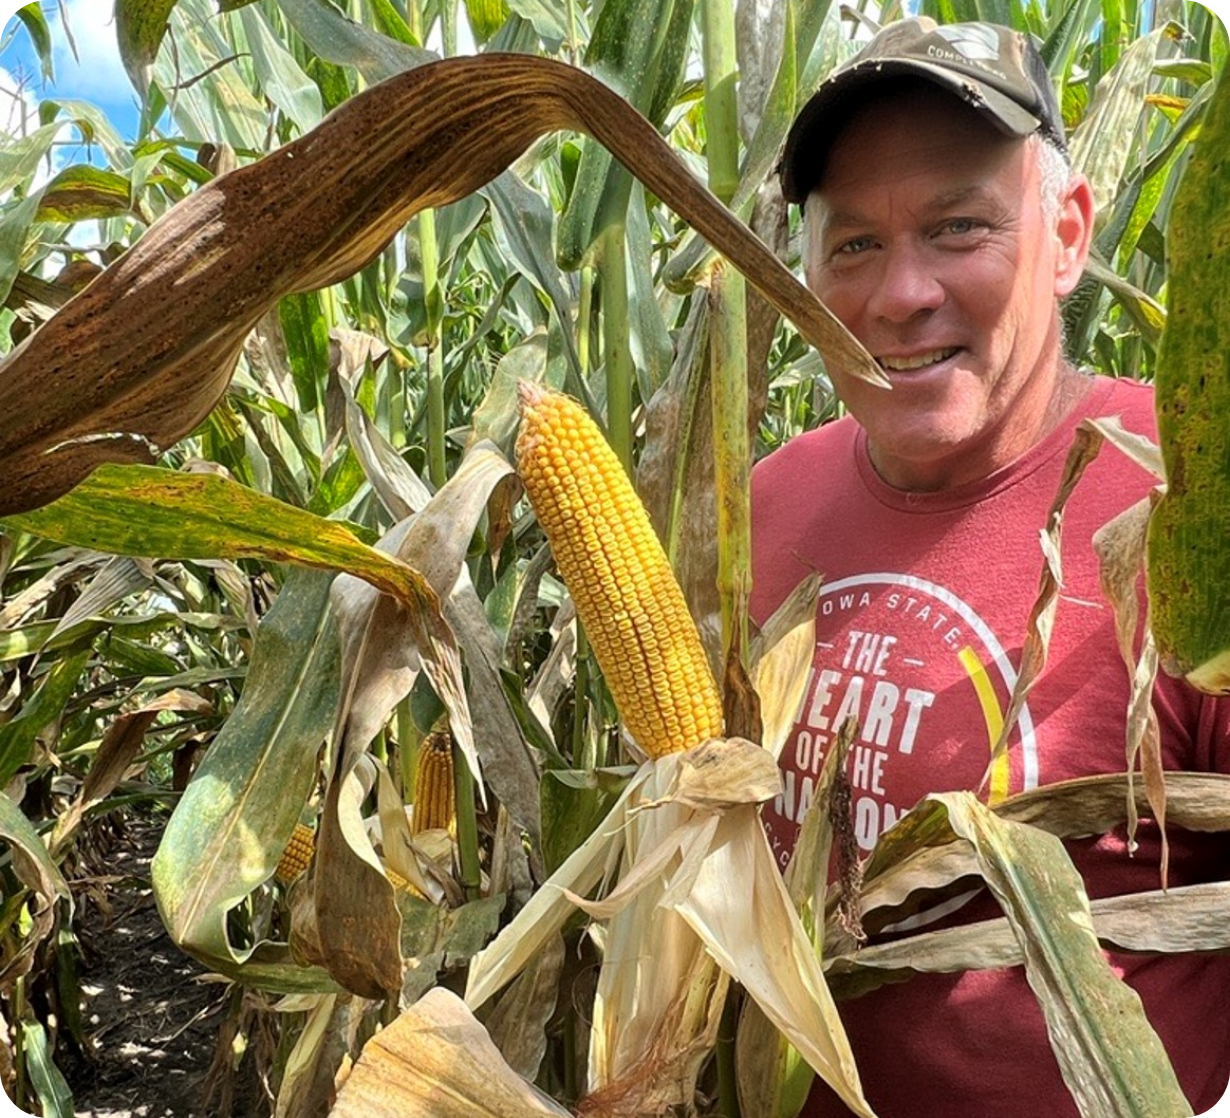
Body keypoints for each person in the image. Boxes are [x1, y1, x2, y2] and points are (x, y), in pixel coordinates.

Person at [750, 16, 1230, 1117]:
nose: (898, 295)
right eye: (853, 245)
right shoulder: (764, 503)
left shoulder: (1193, 495)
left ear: (1067, 234)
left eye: (958, 228)